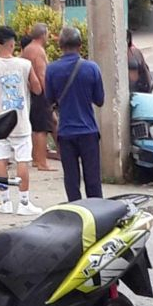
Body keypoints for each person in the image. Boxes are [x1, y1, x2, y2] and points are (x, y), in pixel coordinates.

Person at [0, 26, 44, 216]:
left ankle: (5, 201)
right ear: (12, 43)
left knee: (1, 158)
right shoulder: (24, 64)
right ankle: (24, 202)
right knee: (22, 160)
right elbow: (37, 89)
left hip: (1, 122)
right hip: (21, 120)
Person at [46, 27, 104, 202]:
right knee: (93, 180)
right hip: (88, 132)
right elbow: (100, 100)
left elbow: (49, 99)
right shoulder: (92, 68)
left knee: (71, 181)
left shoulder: (52, 70)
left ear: (60, 45)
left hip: (66, 133)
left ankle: (76, 215)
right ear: (80, 45)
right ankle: (97, 215)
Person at [22, 23, 56, 172]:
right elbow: (42, 74)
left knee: (36, 128)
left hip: (31, 92)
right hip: (40, 93)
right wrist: (49, 94)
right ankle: (42, 162)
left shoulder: (27, 49)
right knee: (42, 129)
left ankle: (36, 159)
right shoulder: (39, 50)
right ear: (43, 35)